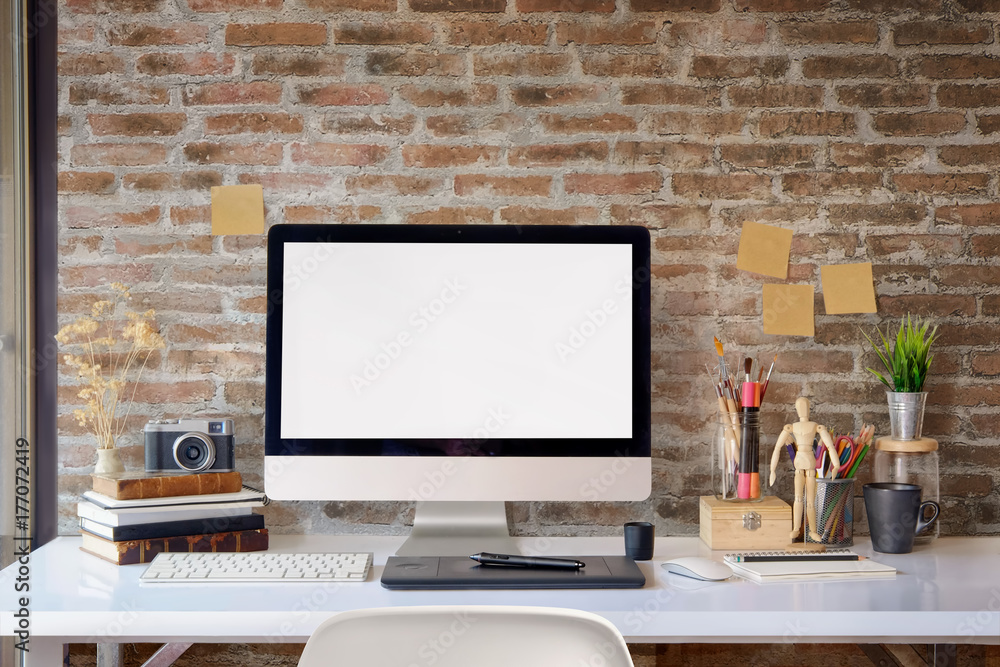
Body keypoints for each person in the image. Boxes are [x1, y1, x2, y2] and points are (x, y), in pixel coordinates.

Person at [769, 397, 840, 542]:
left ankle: (812, 531)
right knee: (798, 498)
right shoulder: (792, 427)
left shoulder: (816, 426)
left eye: (804, 406)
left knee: (810, 501)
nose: (802, 408)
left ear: (809, 408)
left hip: (810, 464)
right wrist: (772, 470)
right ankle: (796, 529)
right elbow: (777, 447)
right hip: (799, 464)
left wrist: (836, 465)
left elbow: (830, 446)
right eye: (800, 406)